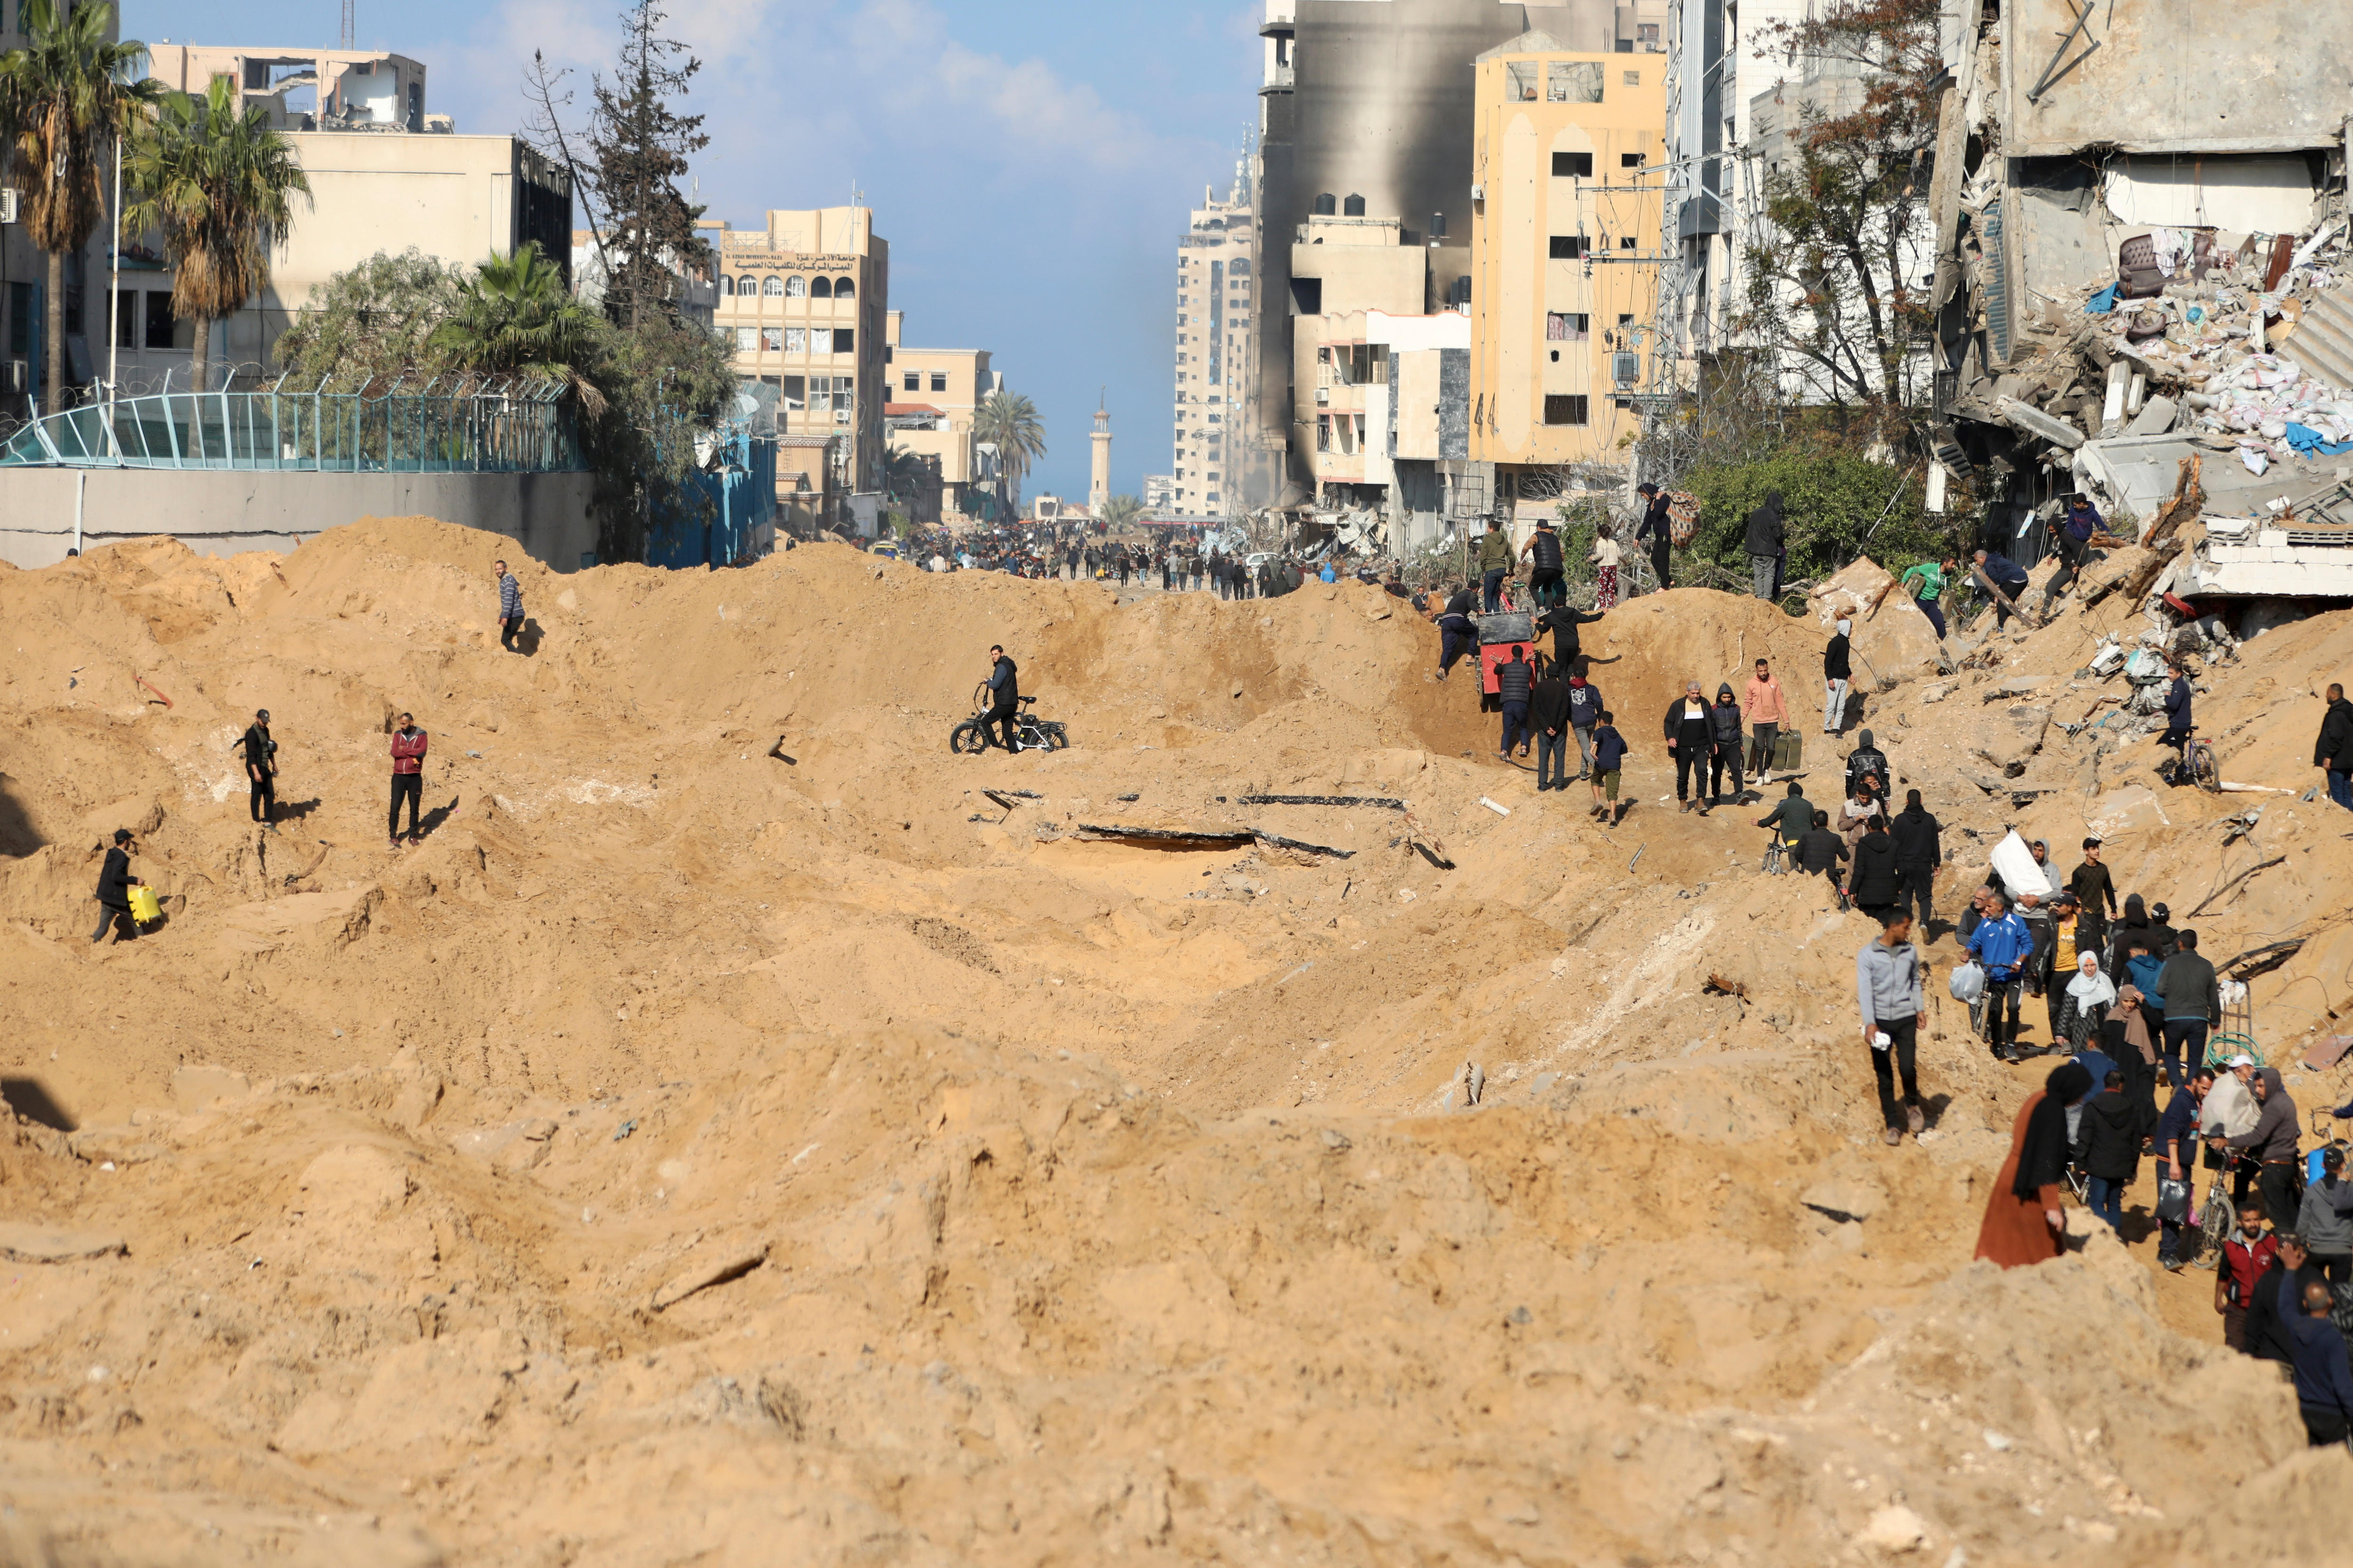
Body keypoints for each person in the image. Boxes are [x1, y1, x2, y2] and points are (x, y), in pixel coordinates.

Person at [1975, 1061, 2093, 1267]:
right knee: (2035, 1250)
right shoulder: (2053, 1111)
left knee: (1999, 1240)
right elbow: (2046, 1160)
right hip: (2030, 1185)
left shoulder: (2038, 1098)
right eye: (2080, 1093)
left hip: (2011, 1173)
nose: (2081, 1099)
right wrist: (2051, 1206)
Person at [1856, 909, 1928, 1145]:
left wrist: (1919, 1009)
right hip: (1881, 1023)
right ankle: (1893, 1125)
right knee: (1884, 1075)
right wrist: (1870, 1024)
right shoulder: (1868, 955)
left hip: (1906, 1018)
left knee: (1907, 1067)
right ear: (1893, 927)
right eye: (1906, 927)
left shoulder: (1910, 952)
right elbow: (1865, 992)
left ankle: (1912, 1105)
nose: (1909, 932)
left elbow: (1915, 981)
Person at [2226, 1066, 2304, 1235]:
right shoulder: (2285, 1101)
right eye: (2257, 1086)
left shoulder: (2273, 1105)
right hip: (2285, 1162)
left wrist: (2229, 1141)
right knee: (2291, 1211)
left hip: (2274, 1164)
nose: (2258, 1090)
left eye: (2261, 1086)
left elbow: (2258, 1136)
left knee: (2280, 1218)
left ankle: (2289, 1252)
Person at [2153, 1067, 2214, 1269]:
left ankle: (2165, 1251)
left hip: (2181, 1163)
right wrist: (2174, 1163)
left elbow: (2191, 1130)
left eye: (2209, 1090)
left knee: (2176, 1205)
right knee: (2173, 1207)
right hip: (2172, 1162)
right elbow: (2173, 1133)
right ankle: (2170, 1254)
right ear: (2194, 1081)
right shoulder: (2182, 1101)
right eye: (2204, 1088)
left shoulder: (2195, 1103)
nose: (2206, 1093)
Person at [1967, 889, 2034, 1061]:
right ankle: (1996, 1044)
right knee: (1995, 1012)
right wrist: (1967, 952)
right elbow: (1974, 942)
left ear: (2000, 907)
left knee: (2013, 1008)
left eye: (1989, 906)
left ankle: (2010, 1044)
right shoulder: (1985, 924)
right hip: (1994, 976)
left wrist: (2018, 962)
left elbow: (2028, 944)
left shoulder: (2016, 922)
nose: (1986, 909)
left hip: (2013, 976)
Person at [2249, 1232, 2326, 1369]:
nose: (2288, 1255)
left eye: (2292, 1250)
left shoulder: (2316, 1279)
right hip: (2275, 1360)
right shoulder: (2267, 1280)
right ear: (2277, 1250)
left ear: (2301, 1250)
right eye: (2285, 1250)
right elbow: (2254, 1320)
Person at [2290, 1279, 2353, 1447]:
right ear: (2329, 1302)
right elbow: (2343, 1386)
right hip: (2332, 1414)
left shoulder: (2298, 1332)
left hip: (2304, 1410)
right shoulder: (2334, 1339)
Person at [2156, 929, 2220, 1089]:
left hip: (2174, 1018)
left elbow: (2160, 989)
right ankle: (2190, 1088)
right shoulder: (2207, 965)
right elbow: (2213, 996)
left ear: (2180, 943)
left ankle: (2177, 1084)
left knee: (2171, 1054)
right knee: (2195, 1060)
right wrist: (2216, 1020)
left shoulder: (2170, 963)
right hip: (2199, 1019)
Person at [2217, 1201, 2279, 1352]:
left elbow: (2280, 1274)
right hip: (2237, 1310)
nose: (2253, 1224)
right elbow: (2223, 1274)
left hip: (2265, 1311)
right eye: (2248, 1220)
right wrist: (2218, 1299)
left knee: (2261, 1354)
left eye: (2256, 1219)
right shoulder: (2231, 1246)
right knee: (2234, 1353)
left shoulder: (2272, 1243)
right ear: (2239, 1222)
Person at [1888, 789, 1941, 932]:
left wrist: (1893, 864)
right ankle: (1924, 923)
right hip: (1924, 864)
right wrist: (1937, 863)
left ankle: (1907, 926)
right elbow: (1935, 843)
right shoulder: (1930, 819)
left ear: (1907, 801)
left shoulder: (1899, 820)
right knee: (1924, 897)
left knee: (1905, 896)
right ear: (1921, 801)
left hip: (1905, 864)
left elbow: (1894, 844)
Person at [2299, 1146, 2353, 1286]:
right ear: (2343, 1164)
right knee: (2340, 1297)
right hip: (2342, 1249)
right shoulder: (2350, 1189)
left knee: (2316, 1294)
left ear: (2323, 1165)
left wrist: (2302, 1245)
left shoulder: (2312, 1191)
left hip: (2317, 1249)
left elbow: (2303, 1223)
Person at [1664, 680, 1714, 814]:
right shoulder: (1678, 706)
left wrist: (1713, 743)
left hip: (1701, 746)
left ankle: (1700, 800)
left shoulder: (1705, 704)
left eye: (1698, 693)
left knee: (1702, 772)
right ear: (1687, 692)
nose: (1696, 696)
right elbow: (1668, 722)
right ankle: (1683, 801)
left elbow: (1712, 724)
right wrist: (1670, 738)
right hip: (1683, 748)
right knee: (1683, 775)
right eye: (1693, 693)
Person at [89, 827, 144, 944]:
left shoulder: (111, 853)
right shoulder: (121, 857)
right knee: (135, 919)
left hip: (105, 897)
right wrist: (136, 880)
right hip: (116, 898)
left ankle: (92, 944)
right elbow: (116, 876)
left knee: (102, 928)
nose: (130, 843)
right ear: (125, 841)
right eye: (129, 840)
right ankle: (144, 942)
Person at [1846, 819, 1901, 926]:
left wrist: (1853, 891)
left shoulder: (1863, 844)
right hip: (1888, 894)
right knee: (1885, 928)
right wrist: (1898, 887)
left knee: (1868, 929)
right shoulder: (1894, 843)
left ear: (1869, 828)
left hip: (1867, 895)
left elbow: (1859, 870)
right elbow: (1902, 869)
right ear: (1883, 827)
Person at [1529, 661, 1573, 792]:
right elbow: (1565, 710)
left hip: (1543, 729)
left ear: (1546, 674)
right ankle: (1559, 785)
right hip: (1560, 730)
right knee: (1559, 758)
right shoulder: (1563, 688)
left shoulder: (1539, 687)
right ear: (1558, 675)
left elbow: (1536, 709)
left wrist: (1546, 727)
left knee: (1544, 757)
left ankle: (1543, 785)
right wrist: (1556, 727)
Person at [1743, 658, 1789, 778]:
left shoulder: (1774, 682)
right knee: (1760, 748)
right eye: (1761, 671)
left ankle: (1766, 770)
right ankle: (1759, 776)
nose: (1763, 673)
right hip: (1758, 722)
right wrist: (1741, 719)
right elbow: (1748, 703)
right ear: (1756, 670)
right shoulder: (1751, 684)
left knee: (1771, 747)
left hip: (1772, 721)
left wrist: (1786, 720)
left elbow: (1780, 701)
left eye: (1765, 670)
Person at [1794, 810, 1849, 908]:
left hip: (1809, 876)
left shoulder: (1807, 836)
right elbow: (1846, 857)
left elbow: (1798, 854)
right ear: (1828, 822)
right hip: (1828, 877)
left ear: (1815, 823)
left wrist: (1807, 863)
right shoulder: (1836, 838)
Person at [389, 712, 429, 847]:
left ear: (411, 723)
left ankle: (412, 836)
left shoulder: (422, 735)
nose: (402, 726)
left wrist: (404, 749)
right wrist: (412, 751)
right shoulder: (398, 735)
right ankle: (393, 836)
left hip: (414, 777)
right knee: (395, 807)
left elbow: (422, 752)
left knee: (414, 809)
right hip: (399, 777)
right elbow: (394, 752)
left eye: (404, 723)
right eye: (400, 723)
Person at [2069, 836, 2118, 936]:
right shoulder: (2079, 873)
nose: (2097, 851)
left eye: (2097, 848)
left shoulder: (2103, 869)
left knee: (2099, 941)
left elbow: (2108, 889)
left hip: (2099, 912)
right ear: (2086, 851)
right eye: (2093, 849)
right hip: (2084, 914)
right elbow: (2074, 895)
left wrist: (2113, 909)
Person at [240, 708, 278, 831]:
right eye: (263, 721)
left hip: (264, 766)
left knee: (270, 794)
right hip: (255, 766)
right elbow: (251, 756)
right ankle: (256, 820)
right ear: (257, 718)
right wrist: (256, 773)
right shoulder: (251, 734)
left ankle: (267, 821)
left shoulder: (266, 731)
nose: (265, 723)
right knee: (257, 794)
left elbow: (269, 749)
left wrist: (274, 764)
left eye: (267, 721)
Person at [1898, 556, 1955, 639]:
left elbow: (1945, 589)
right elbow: (1911, 570)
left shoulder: (1947, 577)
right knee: (1916, 622)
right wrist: (1902, 587)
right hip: (1920, 600)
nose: (1954, 566)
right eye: (1952, 564)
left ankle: (1944, 644)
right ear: (1945, 563)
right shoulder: (1930, 568)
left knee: (1939, 622)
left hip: (1933, 602)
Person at [1756, 780, 1812, 863]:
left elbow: (1773, 818)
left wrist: (1760, 823)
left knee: (1794, 871)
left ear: (1789, 793)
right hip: (1808, 842)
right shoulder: (1809, 805)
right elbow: (1814, 823)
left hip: (1793, 842)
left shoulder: (1785, 804)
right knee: (1808, 869)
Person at [1707, 683, 1745, 804]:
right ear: (1720, 698)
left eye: (1729, 697)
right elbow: (1712, 729)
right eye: (1725, 697)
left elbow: (1739, 727)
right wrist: (1713, 745)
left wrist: (1741, 743)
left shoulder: (1736, 709)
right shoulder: (1713, 710)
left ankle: (1739, 794)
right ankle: (1716, 796)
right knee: (1717, 772)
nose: (1727, 699)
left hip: (1733, 744)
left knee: (1736, 770)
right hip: (1719, 745)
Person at [2317, 682, 2353, 811]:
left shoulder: (2336, 714)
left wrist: (2328, 756)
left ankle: (2342, 821)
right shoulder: (2349, 712)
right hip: (2349, 760)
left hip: (2337, 761)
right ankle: (2349, 818)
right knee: (2346, 792)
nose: (2326, 696)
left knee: (2338, 796)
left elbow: (2336, 737)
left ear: (2333, 695)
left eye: (2328, 694)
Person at [1745, 489, 1786, 601]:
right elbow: (1778, 536)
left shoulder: (1755, 513)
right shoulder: (1775, 517)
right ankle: (1766, 599)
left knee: (1758, 574)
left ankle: (1759, 596)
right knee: (1769, 574)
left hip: (1755, 550)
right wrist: (1783, 538)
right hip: (1769, 551)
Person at [1973, 548, 2031, 628]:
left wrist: (1997, 593)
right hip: (2022, 578)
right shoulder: (1994, 558)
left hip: (2015, 579)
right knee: (2008, 601)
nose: (1976, 563)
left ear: (1982, 558)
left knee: (2001, 601)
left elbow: (1995, 578)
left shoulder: (1988, 563)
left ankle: (2002, 626)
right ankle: (2011, 619)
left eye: (1976, 560)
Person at [1589, 710, 1629, 826]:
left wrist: (1592, 751)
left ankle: (1598, 802)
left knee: (1595, 780)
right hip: (1615, 765)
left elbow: (1596, 742)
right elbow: (1624, 749)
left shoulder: (1600, 732)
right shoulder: (1617, 735)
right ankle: (1613, 818)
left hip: (1601, 763)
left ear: (1601, 721)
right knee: (1612, 793)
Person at [1433, 585, 1478, 681]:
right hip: (1457, 618)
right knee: (1474, 632)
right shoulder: (1470, 594)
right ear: (1476, 589)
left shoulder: (1458, 595)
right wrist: (1479, 610)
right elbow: (1472, 603)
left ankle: (1442, 670)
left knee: (1448, 649)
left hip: (1446, 621)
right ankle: (1470, 657)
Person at [1496, 645, 1534, 760]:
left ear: (1512, 655)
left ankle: (1504, 751)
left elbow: (1497, 671)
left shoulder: (1506, 667)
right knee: (1523, 727)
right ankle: (1524, 748)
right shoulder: (1527, 669)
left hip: (1508, 703)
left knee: (1507, 730)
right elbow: (1531, 672)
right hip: (1522, 703)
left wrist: (1499, 663)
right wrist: (1527, 661)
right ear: (1522, 655)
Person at [982, 645, 1022, 752]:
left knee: (985, 722)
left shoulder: (1002, 667)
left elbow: (995, 685)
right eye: (992, 655)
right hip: (1012, 703)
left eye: (996, 654)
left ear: (1002, 654)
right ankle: (1014, 753)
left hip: (1005, 703)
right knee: (1007, 732)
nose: (994, 657)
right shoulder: (1008, 665)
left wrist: (988, 681)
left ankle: (995, 748)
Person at [1519, 516, 1565, 608]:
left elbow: (1526, 547)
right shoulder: (1556, 538)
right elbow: (1562, 554)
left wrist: (1521, 559)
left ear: (1539, 528)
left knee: (1533, 587)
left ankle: (1540, 607)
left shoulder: (1536, 536)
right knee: (1547, 588)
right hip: (1558, 569)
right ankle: (1549, 610)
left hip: (1543, 568)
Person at [1634, 483, 1673, 591]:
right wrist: (1638, 537)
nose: (1643, 497)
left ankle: (1665, 586)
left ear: (1648, 492)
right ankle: (1669, 580)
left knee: (1663, 559)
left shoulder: (1664, 499)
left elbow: (1660, 512)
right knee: (1654, 559)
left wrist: (1658, 500)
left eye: (1643, 495)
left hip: (1667, 533)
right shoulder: (1651, 505)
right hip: (1659, 535)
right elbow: (1647, 523)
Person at [1566, 672, 1604, 779]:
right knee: (1586, 746)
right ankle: (1583, 771)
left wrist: (1572, 718)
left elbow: (1567, 707)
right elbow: (1599, 702)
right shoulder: (1592, 688)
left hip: (1578, 722)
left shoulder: (1569, 690)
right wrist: (1600, 715)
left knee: (1586, 747)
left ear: (1574, 676)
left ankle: (1597, 765)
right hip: (1591, 720)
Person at [2159, 658, 2195, 768]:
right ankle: (2181, 773)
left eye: (2171, 673)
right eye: (2168, 673)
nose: (2169, 675)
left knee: (2167, 746)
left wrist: (2167, 697)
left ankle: (2179, 774)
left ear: (2179, 674)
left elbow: (2174, 704)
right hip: (2183, 723)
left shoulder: (2179, 685)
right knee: (2178, 748)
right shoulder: (2181, 684)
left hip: (2179, 724)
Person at [1477, 516, 1513, 612]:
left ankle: (1489, 617)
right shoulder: (1505, 540)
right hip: (1502, 570)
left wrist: (1484, 569)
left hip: (1491, 569)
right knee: (1494, 595)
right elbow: (1512, 557)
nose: (1487, 530)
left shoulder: (1487, 539)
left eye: (1488, 528)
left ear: (1492, 529)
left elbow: (1483, 557)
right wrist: (1511, 569)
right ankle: (1497, 615)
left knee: (1488, 595)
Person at [1823, 618, 1853, 734]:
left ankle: (1836, 728)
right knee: (1831, 704)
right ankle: (1827, 729)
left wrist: (1850, 674)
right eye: (1850, 628)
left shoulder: (1846, 642)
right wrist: (1830, 679)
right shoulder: (1835, 642)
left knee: (1841, 705)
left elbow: (1844, 661)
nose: (1851, 630)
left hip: (1843, 679)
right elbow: (1828, 662)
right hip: (1834, 679)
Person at [494, 559, 525, 653]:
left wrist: (505, 617)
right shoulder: (506, 580)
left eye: (500, 569)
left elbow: (509, 600)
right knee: (507, 639)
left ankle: (518, 660)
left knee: (505, 640)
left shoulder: (508, 581)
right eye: (496, 569)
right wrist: (502, 616)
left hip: (515, 615)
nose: (498, 571)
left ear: (506, 569)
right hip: (514, 615)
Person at [1591, 523, 1623, 609]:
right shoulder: (1613, 542)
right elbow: (1620, 555)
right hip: (1614, 566)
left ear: (1600, 533)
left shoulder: (1600, 543)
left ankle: (1602, 605)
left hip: (1605, 567)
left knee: (1602, 586)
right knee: (1611, 585)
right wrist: (1625, 561)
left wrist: (1592, 557)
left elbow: (1600, 555)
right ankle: (1611, 604)